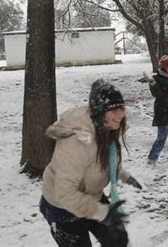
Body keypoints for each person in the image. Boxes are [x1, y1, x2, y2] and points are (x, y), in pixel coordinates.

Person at [39, 79, 143, 247]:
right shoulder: (77, 142)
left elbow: (103, 160)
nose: (120, 115)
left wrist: (122, 174)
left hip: (90, 196)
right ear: (100, 112)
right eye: (114, 110)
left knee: (118, 239)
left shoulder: (105, 128)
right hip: (62, 209)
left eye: (121, 108)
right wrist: (103, 213)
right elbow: (65, 194)